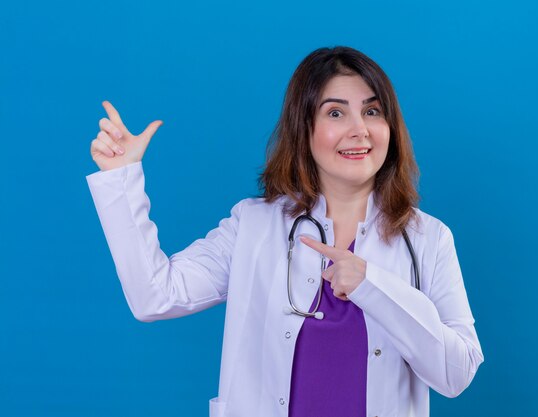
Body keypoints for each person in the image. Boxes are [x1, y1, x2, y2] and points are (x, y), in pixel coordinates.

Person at [86, 46, 484, 417]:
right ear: (303, 128)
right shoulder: (254, 226)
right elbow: (155, 296)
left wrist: (372, 285)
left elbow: (457, 374)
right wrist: (121, 182)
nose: (359, 130)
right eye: (335, 113)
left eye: (373, 111)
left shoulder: (428, 238)